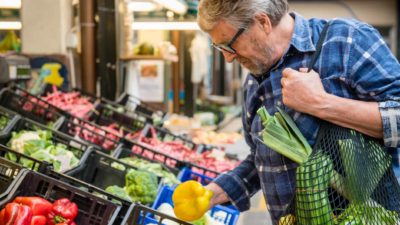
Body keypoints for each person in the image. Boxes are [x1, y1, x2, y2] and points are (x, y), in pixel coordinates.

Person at [196, 0, 400, 223]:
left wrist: (322, 103)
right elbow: (262, 159)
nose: (228, 57)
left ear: (263, 22)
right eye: (220, 48)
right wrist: (215, 193)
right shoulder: (254, 83)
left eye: (229, 45)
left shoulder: (347, 41)